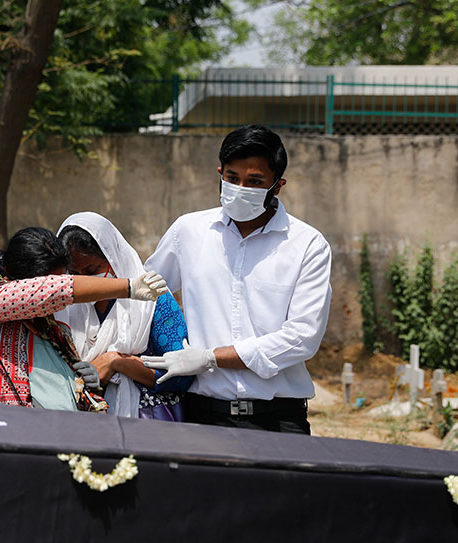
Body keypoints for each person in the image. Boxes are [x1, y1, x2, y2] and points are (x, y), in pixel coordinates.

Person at [142, 124, 332, 434]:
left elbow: (301, 338)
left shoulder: (307, 245)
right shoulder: (188, 231)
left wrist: (209, 358)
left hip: (278, 419)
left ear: (277, 186)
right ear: (220, 173)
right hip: (202, 415)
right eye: (232, 178)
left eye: (255, 181)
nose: (240, 187)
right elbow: (145, 297)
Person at [0, 227, 167, 411]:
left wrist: (84, 382)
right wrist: (128, 287)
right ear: (24, 279)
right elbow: (50, 292)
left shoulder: (49, 322)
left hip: (51, 431)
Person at [56, 212, 192, 419]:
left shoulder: (152, 300)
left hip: (141, 424)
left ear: (113, 258)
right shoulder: (61, 304)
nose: (85, 281)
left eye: (92, 270)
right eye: (74, 273)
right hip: (73, 421)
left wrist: (118, 363)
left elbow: (182, 375)